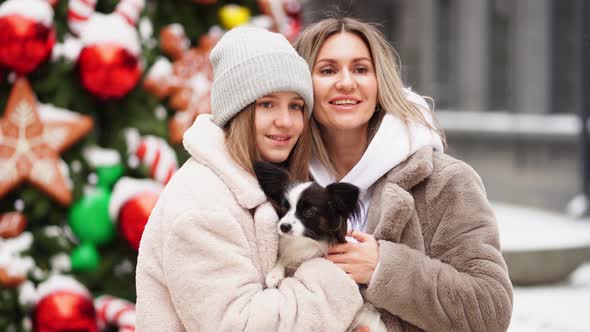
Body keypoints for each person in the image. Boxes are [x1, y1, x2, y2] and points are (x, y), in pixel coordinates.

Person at [135, 27, 364, 331]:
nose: (285, 121)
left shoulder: (266, 184)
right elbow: (239, 326)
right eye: (266, 104)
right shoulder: (201, 204)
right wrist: (335, 276)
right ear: (237, 111)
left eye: (295, 106)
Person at [294, 17, 513, 331]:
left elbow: (491, 311)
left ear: (380, 81)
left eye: (360, 69)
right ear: (304, 85)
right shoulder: (284, 186)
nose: (346, 82)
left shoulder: (444, 183)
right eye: (328, 70)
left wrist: (384, 268)